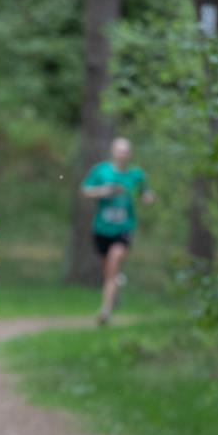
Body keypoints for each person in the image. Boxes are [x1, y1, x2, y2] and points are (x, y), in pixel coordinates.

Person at [80, 137, 155, 325]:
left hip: (124, 228)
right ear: (113, 152)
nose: (122, 154)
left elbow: (146, 192)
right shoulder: (101, 171)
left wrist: (147, 197)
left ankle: (105, 310)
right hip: (102, 229)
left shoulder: (136, 175)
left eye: (126, 150)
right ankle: (116, 287)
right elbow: (85, 191)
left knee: (113, 266)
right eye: (119, 150)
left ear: (130, 154)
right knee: (108, 271)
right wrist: (105, 191)